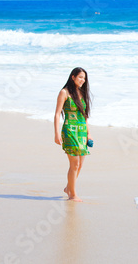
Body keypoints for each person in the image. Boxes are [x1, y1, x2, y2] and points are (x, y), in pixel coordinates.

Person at [54, 67, 92, 202]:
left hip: (81, 131)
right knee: (74, 163)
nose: (83, 80)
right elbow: (58, 113)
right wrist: (56, 133)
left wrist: (89, 134)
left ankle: (68, 187)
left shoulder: (82, 93)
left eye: (84, 78)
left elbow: (85, 116)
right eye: (80, 77)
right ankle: (72, 194)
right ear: (73, 77)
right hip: (69, 130)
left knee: (80, 164)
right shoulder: (64, 92)